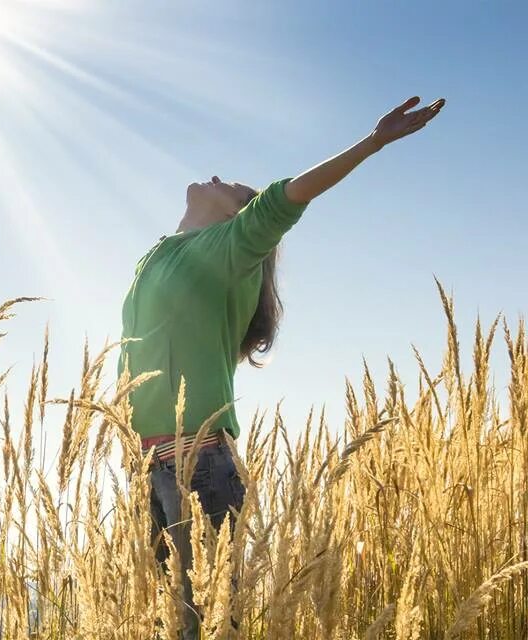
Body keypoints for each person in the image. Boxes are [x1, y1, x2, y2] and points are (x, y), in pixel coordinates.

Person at [117, 95, 445, 638]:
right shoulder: (157, 255)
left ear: (241, 216)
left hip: (197, 467)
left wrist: (373, 141)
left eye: (236, 189)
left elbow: (285, 200)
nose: (220, 177)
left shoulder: (229, 250)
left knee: (214, 624)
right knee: (175, 626)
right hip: (149, 468)